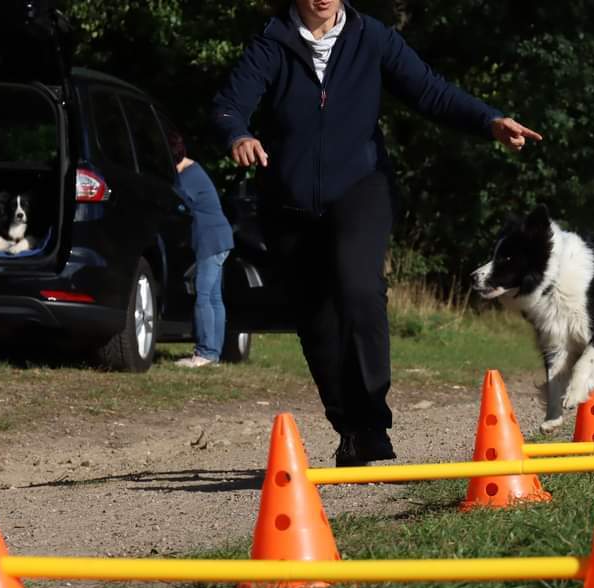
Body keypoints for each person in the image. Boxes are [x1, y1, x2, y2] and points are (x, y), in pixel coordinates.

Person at [211, 0, 541, 466]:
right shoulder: (272, 42)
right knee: (316, 318)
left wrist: (488, 120)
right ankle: (350, 429)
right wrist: (238, 136)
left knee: (359, 285)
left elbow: (431, 91)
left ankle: (372, 421)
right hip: (287, 200)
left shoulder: (372, 37)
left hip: (360, 186)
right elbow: (229, 105)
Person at [169, 131, 235, 368]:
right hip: (220, 239)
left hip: (211, 241)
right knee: (215, 297)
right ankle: (213, 353)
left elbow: (175, 202)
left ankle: (205, 353)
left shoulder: (187, 177)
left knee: (204, 295)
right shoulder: (195, 170)